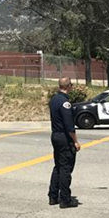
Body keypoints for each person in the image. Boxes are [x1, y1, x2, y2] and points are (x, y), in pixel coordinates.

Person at [48, 77, 81, 209]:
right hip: (64, 137)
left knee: (58, 167)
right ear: (69, 86)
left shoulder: (54, 99)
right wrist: (76, 141)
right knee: (66, 168)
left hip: (55, 135)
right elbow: (69, 126)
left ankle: (53, 196)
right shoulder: (65, 102)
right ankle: (65, 199)